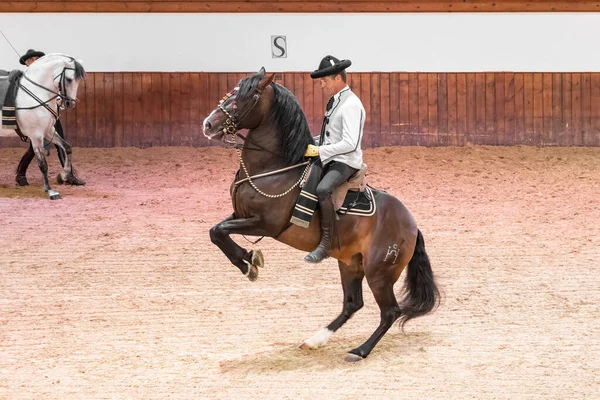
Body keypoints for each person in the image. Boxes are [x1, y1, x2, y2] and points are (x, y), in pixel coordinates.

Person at [303, 55, 366, 263]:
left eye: (325, 80)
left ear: (338, 78)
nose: (322, 85)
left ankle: (327, 244)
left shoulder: (351, 105)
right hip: (334, 156)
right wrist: (309, 142)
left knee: (323, 189)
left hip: (346, 161)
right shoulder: (336, 102)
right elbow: (332, 135)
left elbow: (350, 144)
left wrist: (319, 151)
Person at [15, 49, 85, 186]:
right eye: (31, 59)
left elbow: (58, 89)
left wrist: (60, 100)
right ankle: (21, 174)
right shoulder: (25, 80)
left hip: (51, 115)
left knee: (61, 145)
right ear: (27, 63)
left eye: (37, 58)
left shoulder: (48, 76)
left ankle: (68, 174)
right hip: (34, 119)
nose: (35, 61)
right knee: (32, 150)